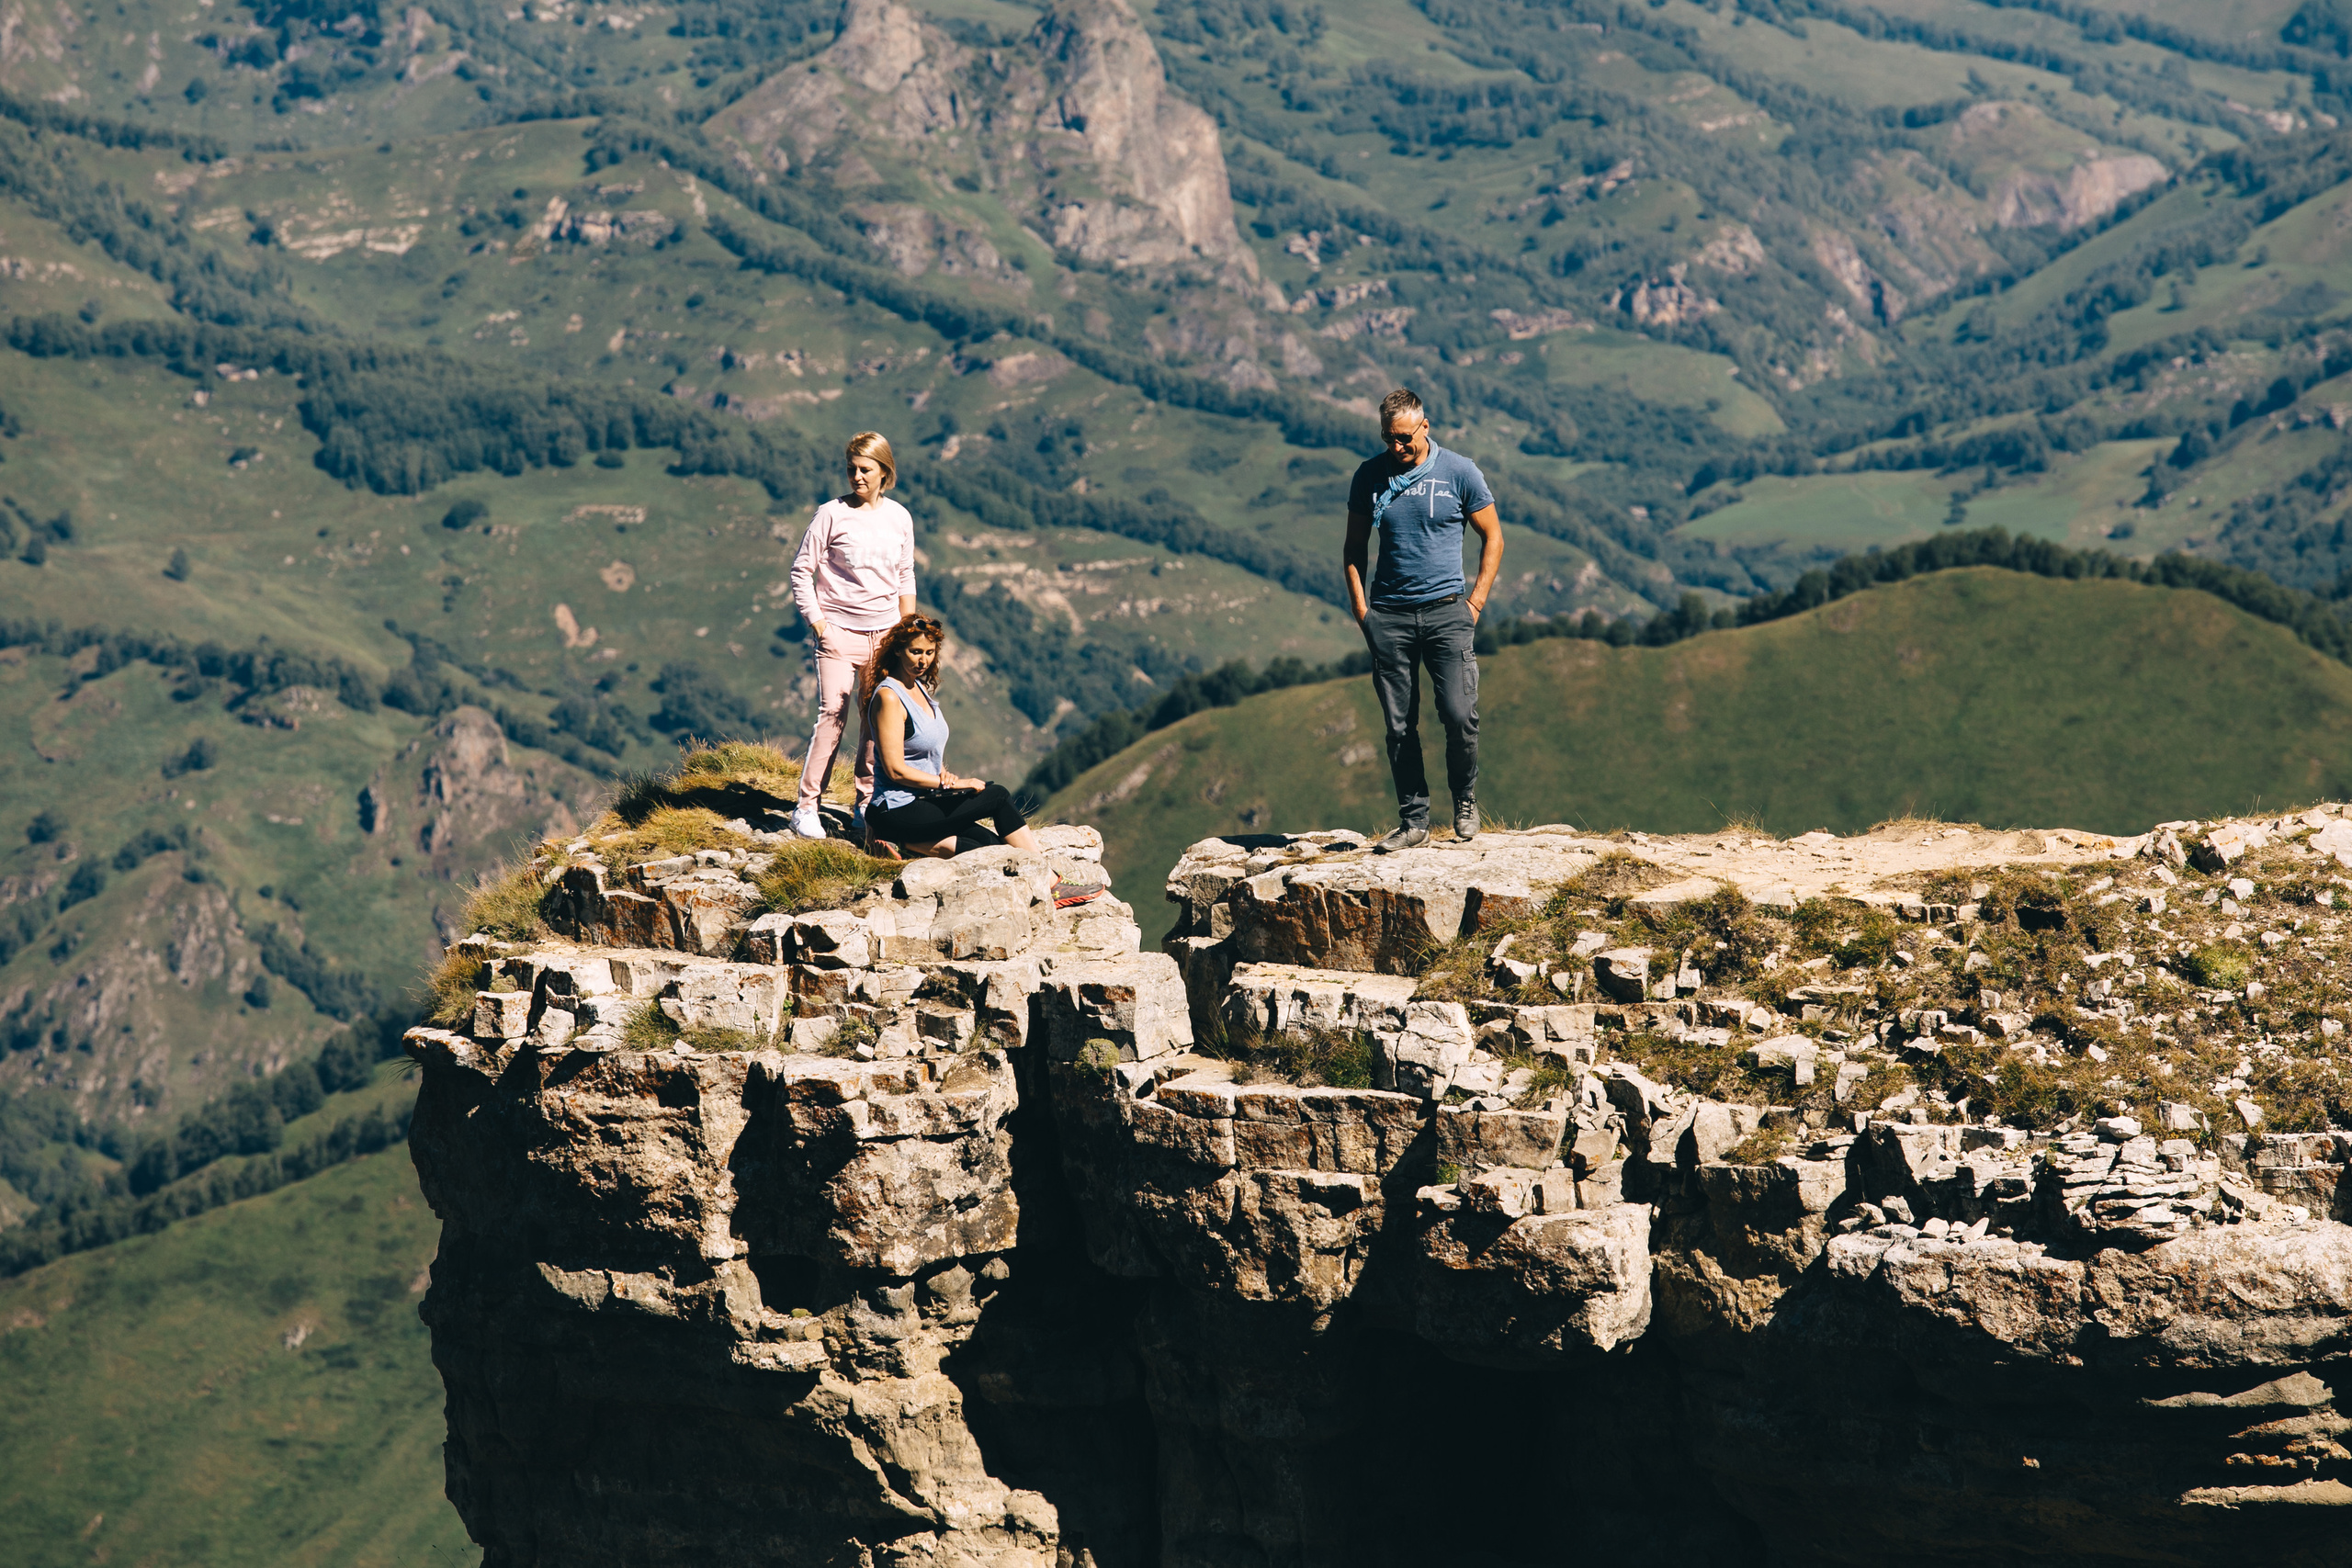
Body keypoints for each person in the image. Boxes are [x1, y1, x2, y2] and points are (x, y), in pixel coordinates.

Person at [1342, 389, 1504, 853]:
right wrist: (1362, 613)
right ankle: (1414, 820)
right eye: (1389, 438)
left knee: (1459, 714)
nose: (1397, 447)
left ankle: (1465, 802)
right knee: (1398, 727)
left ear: (1425, 426)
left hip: (1448, 612)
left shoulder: (1460, 472)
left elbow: (1493, 536)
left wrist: (1474, 604)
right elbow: (1353, 550)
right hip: (1388, 617)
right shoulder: (1369, 476)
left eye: (1405, 438)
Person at [861, 615, 1104, 904]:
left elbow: (923, 755)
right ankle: (1051, 884)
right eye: (915, 652)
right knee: (998, 796)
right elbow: (895, 770)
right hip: (896, 810)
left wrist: (944, 780)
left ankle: (911, 845)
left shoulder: (919, 688)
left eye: (929, 652)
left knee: (991, 844)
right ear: (898, 649)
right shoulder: (890, 697)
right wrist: (948, 783)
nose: (922, 660)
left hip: (924, 803)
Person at [788, 432, 917, 841]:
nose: (856, 477)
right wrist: (819, 624)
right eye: (851, 469)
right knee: (833, 714)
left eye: (865, 470)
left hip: (884, 634)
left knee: (875, 723)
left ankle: (865, 804)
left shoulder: (900, 517)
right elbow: (800, 570)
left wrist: (905, 628)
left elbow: (904, 575)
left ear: (885, 472)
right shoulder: (830, 514)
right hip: (839, 632)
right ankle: (807, 807)